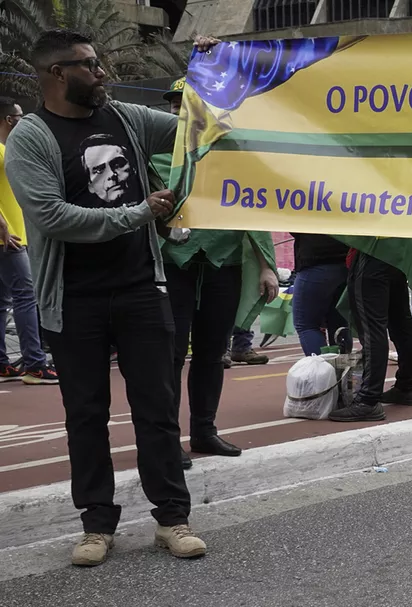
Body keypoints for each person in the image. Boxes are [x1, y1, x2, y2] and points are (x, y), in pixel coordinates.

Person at [4, 29, 218, 566]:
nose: (101, 73)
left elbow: (200, 130)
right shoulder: (30, 138)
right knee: (85, 415)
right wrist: (140, 212)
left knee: (157, 409)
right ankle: (96, 525)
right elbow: (51, 217)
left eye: (98, 63)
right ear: (57, 74)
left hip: (141, 289)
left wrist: (211, 70)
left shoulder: (124, 118)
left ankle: (172, 518)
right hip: (72, 298)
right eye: (89, 65)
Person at [154, 77, 279, 465]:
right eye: (175, 105)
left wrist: (266, 265)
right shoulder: (154, 154)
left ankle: (204, 430)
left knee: (212, 352)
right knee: (169, 355)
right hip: (174, 264)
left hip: (224, 260)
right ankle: (165, 438)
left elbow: (253, 207)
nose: (179, 112)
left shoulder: (233, 152)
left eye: (187, 104)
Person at [0, 96, 57, 385]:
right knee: (26, 296)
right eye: (19, 116)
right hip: (8, 238)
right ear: (9, 119)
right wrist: (3, 227)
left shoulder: (6, 149)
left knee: (3, 301)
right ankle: (35, 363)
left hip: (10, 236)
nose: (23, 120)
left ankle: (2, 363)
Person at [329, 245, 412, 422]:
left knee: (372, 328)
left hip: (372, 249)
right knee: (400, 321)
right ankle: (407, 385)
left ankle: (368, 399)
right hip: (397, 251)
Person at [291, 231, 351, 356]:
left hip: (315, 260)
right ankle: (343, 368)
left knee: (307, 325)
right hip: (346, 261)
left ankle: (322, 370)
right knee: (339, 322)